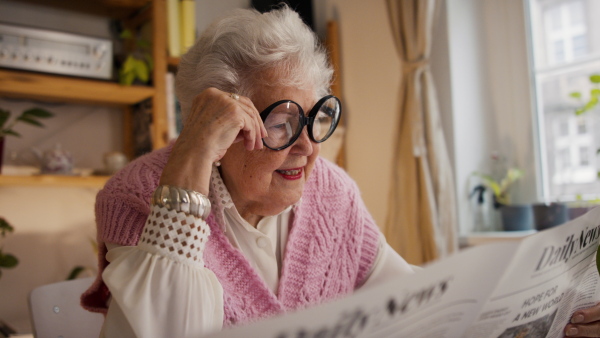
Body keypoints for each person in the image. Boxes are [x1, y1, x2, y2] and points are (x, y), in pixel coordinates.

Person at [80, 5, 600, 338]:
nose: (308, 146)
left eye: (316, 116)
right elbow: (171, 329)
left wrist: (542, 316)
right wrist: (189, 162)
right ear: (215, 123)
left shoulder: (330, 191)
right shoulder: (139, 196)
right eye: (282, 121)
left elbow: (413, 297)